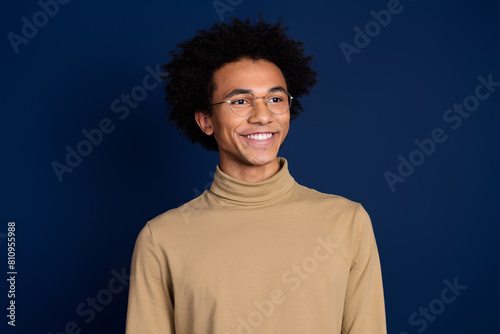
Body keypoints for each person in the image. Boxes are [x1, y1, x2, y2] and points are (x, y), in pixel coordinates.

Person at [126, 16, 386, 334]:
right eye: (241, 101)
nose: (262, 116)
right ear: (205, 120)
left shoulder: (348, 222)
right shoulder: (161, 239)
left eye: (275, 99)